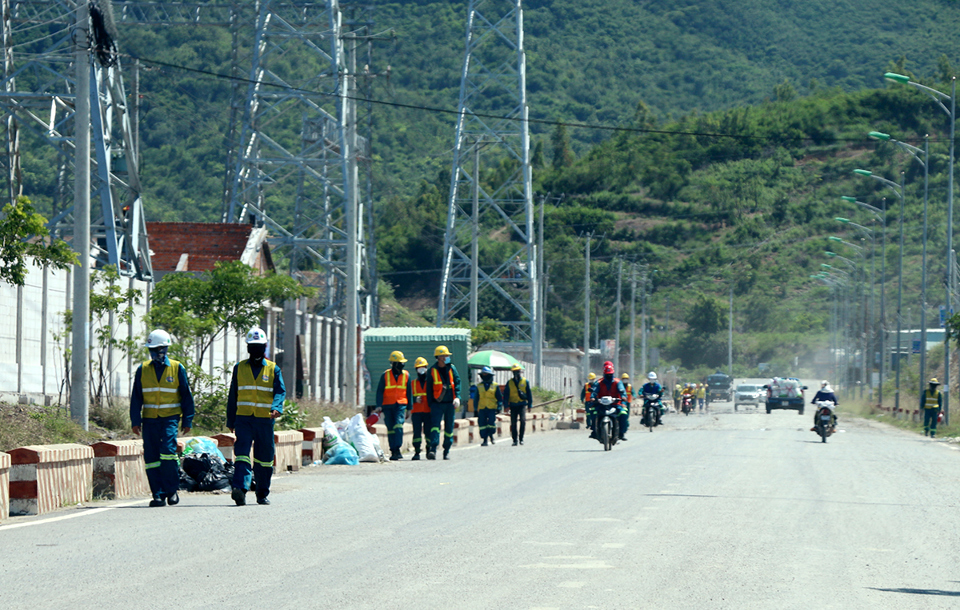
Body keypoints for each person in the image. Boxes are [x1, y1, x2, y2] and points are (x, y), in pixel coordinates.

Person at [130, 329, 195, 508]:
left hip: (169, 419)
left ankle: (171, 490)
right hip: (149, 420)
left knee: (167, 453)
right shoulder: (143, 370)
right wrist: (135, 421)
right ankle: (157, 494)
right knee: (151, 458)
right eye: (152, 349)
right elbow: (136, 397)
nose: (156, 353)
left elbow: (186, 396)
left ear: (165, 349)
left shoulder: (176, 367)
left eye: (159, 349)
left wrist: (187, 420)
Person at [227, 327, 285, 506]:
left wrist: (276, 408)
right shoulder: (239, 368)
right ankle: (240, 489)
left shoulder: (273, 369)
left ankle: (262, 493)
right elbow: (233, 395)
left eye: (259, 346)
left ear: (265, 346)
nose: (256, 349)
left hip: (264, 420)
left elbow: (280, 392)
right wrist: (230, 420)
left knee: (264, 459)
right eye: (252, 346)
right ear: (247, 348)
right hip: (244, 419)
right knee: (242, 454)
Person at [426, 345, 461, 460]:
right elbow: (429, 389)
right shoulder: (432, 370)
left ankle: (446, 450)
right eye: (445, 356)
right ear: (439, 357)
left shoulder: (452, 368)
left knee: (449, 428)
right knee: (435, 427)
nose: (447, 357)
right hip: (437, 404)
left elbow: (457, 383)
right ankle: (433, 448)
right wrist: (431, 404)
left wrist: (458, 398)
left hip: (450, 403)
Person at [376, 351, 412, 461]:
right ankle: (394, 451)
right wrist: (378, 405)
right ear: (394, 364)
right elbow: (380, 391)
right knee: (390, 428)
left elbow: (409, 392)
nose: (402, 365)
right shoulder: (385, 375)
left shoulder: (406, 375)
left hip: (400, 405)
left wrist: (409, 408)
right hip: (387, 405)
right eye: (400, 363)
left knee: (398, 426)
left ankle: (397, 447)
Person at [591, 361, 627, 440]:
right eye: (607, 375)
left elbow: (622, 390)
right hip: (601, 404)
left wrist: (623, 397)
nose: (609, 376)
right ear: (604, 374)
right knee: (593, 413)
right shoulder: (598, 382)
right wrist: (593, 397)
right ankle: (594, 431)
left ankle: (621, 433)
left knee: (623, 414)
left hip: (615, 403)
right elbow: (594, 391)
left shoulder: (618, 382)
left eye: (610, 374)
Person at [470, 366, 503, 446]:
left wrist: (499, 407)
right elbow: (476, 398)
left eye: (486, 374)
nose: (485, 376)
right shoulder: (479, 386)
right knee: (482, 424)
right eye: (483, 374)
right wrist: (475, 409)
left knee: (491, 423)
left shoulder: (495, 385)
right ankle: (485, 439)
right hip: (482, 408)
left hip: (492, 408)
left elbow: (499, 397)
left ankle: (491, 436)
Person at [505, 363, 532, 446]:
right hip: (513, 405)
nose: (516, 373)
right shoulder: (509, 383)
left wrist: (530, 405)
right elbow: (506, 395)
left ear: (520, 372)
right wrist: (506, 406)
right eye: (515, 371)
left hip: (522, 404)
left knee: (523, 421)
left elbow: (529, 394)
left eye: (518, 371)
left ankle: (521, 438)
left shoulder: (525, 381)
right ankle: (515, 440)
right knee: (513, 423)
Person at [409, 357, 431, 460]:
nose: (421, 370)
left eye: (423, 368)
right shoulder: (412, 383)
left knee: (428, 432)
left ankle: (429, 449)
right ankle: (417, 451)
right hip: (416, 412)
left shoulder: (431, 383)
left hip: (428, 411)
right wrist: (414, 399)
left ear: (426, 368)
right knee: (416, 433)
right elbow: (407, 397)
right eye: (419, 368)